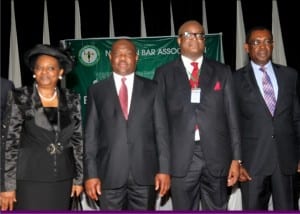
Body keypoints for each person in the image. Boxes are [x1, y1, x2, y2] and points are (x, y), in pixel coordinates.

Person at [153, 20, 241, 210]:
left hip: (217, 157)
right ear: (178, 41)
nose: (195, 39)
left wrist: (236, 159)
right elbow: (160, 125)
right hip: (180, 158)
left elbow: (232, 118)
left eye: (199, 35)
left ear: (204, 40)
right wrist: (163, 166)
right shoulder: (163, 74)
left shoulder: (222, 71)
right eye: (188, 35)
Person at [84, 39, 171, 210]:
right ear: (110, 57)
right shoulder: (96, 91)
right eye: (118, 53)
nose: (123, 57)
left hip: (145, 175)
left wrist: (165, 170)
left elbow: (162, 132)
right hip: (108, 175)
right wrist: (91, 175)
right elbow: (90, 137)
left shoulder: (153, 88)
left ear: (136, 57)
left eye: (128, 53)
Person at [0, 44, 84, 211]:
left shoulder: (71, 98)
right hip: (29, 180)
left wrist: (78, 178)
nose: (45, 72)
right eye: (40, 68)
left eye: (51, 68)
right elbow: (9, 143)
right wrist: (6, 187)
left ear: (60, 72)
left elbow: (78, 140)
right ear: (34, 71)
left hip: (63, 179)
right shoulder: (20, 97)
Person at [233, 26, 300, 210]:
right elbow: (232, 124)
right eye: (256, 42)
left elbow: (296, 118)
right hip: (252, 163)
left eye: (267, 41)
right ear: (247, 47)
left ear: (273, 45)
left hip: (287, 161)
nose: (262, 47)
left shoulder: (290, 75)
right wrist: (237, 162)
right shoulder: (234, 80)